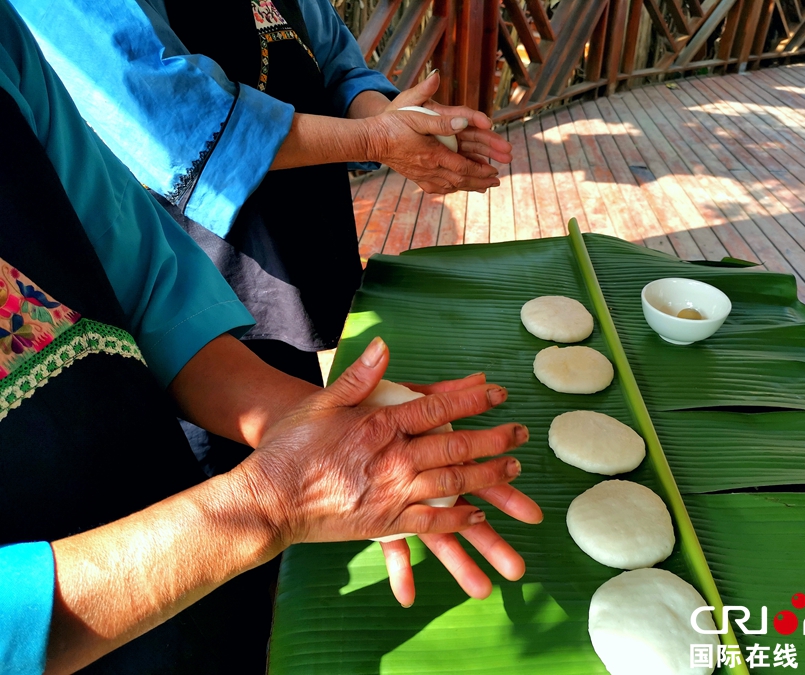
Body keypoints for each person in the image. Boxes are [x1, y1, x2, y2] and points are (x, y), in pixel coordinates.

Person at [0, 4, 540, 673]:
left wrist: (309, 425)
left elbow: (142, 273)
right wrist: (265, 502)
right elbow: (171, 121)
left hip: (165, 450)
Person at [12, 0, 516, 476]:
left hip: (296, 243)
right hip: (192, 284)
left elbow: (331, 55)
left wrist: (383, 117)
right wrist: (379, 138)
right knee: (226, 461)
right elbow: (172, 118)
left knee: (301, 393)